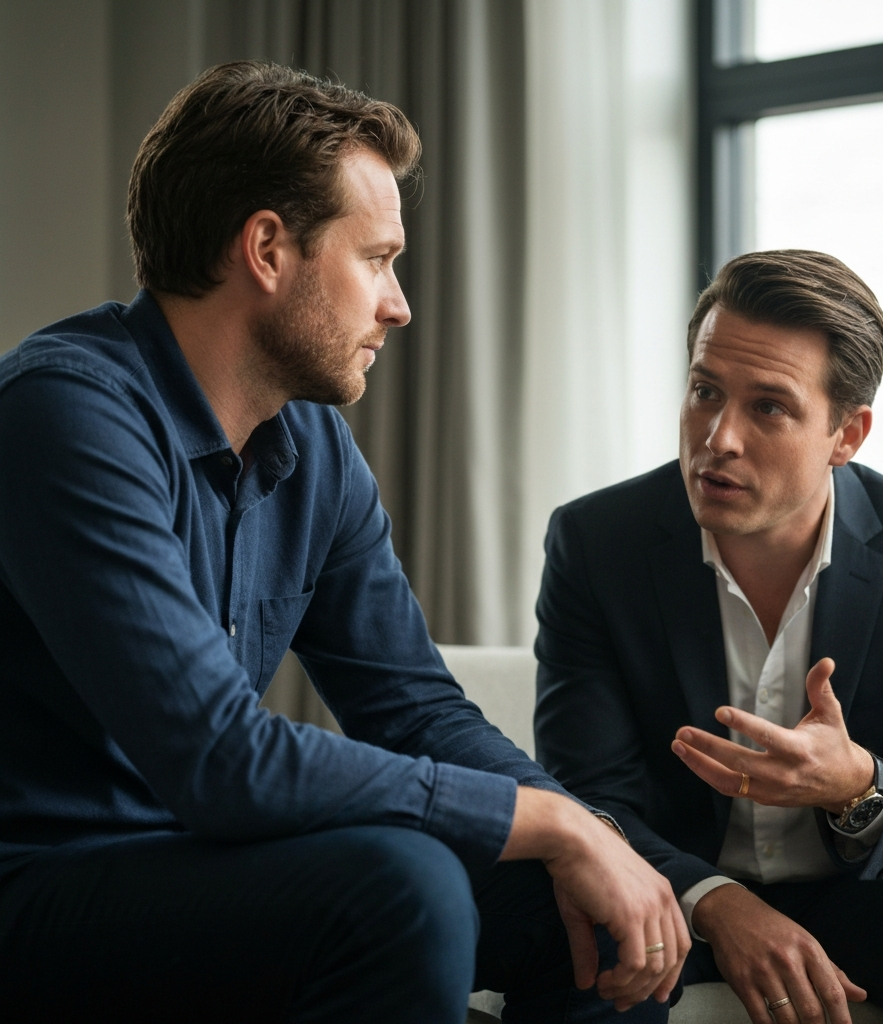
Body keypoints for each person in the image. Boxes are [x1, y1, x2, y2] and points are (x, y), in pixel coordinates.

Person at [0, 61, 688, 1023]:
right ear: (268, 250)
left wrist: (591, 837)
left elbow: (416, 711)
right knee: (403, 885)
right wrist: (539, 818)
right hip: (45, 887)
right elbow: (219, 760)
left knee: (590, 907)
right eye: (377, 259)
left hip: (201, 868)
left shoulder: (312, 445)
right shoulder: (65, 413)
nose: (399, 304)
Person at [534, 249, 883, 1024]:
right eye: (704, 391)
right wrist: (719, 904)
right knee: (568, 948)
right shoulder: (598, 543)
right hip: (670, 892)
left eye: (769, 407)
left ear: (847, 434)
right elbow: (591, 796)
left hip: (865, 902)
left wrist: (860, 786)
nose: (718, 437)